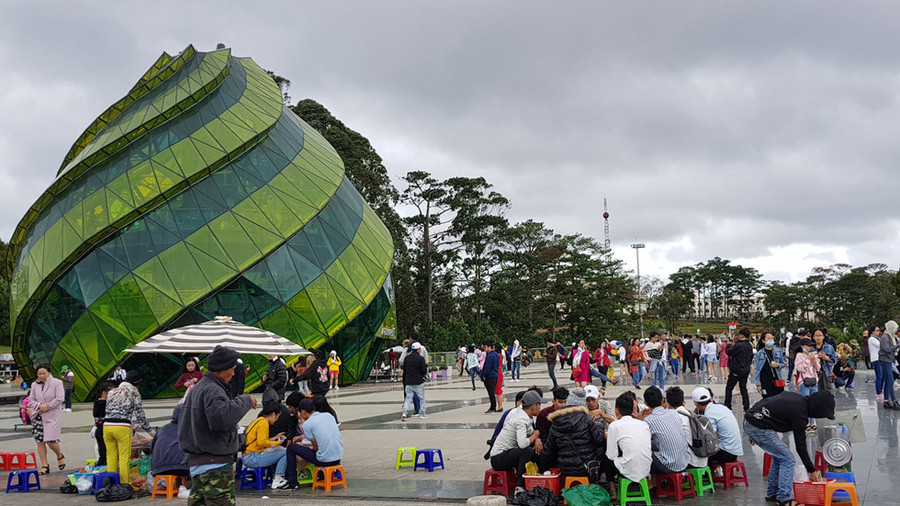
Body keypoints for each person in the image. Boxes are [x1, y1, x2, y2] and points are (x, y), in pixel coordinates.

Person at [179, 346, 257, 506]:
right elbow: (222, 418)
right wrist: (245, 401)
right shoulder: (213, 390)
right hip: (215, 464)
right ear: (221, 370)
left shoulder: (199, 388)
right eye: (233, 370)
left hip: (199, 462)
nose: (234, 374)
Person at [744, 392, 835, 506]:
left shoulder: (798, 399)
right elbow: (800, 446)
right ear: (818, 410)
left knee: (780, 456)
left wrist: (751, 424)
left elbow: (766, 402)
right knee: (788, 459)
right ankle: (783, 499)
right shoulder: (800, 414)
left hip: (753, 422)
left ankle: (773, 494)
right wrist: (812, 470)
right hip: (757, 426)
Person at [540, 387, 615, 481]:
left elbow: (549, 449)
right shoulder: (587, 419)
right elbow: (599, 441)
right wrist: (599, 428)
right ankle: (609, 481)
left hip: (565, 468)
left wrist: (541, 469)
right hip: (587, 468)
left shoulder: (556, 421)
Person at [489, 390, 547, 495]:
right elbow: (523, 444)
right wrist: (535, 436)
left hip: (508, 453)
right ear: (533, 406)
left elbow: (529, 435)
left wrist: (536, 438)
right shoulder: (521, 419)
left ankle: (537, 478)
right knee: (526, 451)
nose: (540, 408)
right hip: (498, 458)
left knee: (535, 451)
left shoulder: (525, 416)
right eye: (539, 405)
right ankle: (520, 487)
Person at [104, 370, 154, 485]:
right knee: (123, 456)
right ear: (136, 384)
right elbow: (140, 415)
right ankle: (124, 484)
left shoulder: (112, 392)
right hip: (122, 426)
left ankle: (112, 484)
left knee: (111, 455)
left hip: (107, 426)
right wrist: (150, 431)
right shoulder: (134, 392)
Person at [280, 398, 344, 490]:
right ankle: (320, 476)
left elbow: (315, 447)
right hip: (338, 457)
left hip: (324, 460)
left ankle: (292, 482)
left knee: (291, 447)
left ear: (303, 412)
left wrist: (306, 455)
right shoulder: (328, 415)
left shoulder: (307, 424)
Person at [19, 363, 66, 475]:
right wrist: (40, 406)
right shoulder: (35, 385)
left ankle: (59, 455)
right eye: (39, 374)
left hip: (51, 414)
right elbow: (31, 400)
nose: (41, 376)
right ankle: (45, 465)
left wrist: (48, 406)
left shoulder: (57, 383)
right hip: (38, 414)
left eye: (44, 373)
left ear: (49, 372)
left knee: (50, 440)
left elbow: (60, 398)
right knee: (40, 442)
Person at [642, 387, 692, 475]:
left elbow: (643, 441)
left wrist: (640, 421)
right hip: (685, 462)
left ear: (645, 403)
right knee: (656, 444)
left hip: (669, 465)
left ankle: (652, 482)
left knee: (644, 452)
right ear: (662, 400)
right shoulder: (674, 413)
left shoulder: (649, 420)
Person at [606, 392, 652, 483]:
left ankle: (613, 490)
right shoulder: (644, 424)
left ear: (616, 410)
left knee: (607, 458)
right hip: (646, 469)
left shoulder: (614, 425)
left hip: (627, 471)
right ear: (633, 409)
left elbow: (611, 455)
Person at [243, 403, 289, 489]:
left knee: (279, 450)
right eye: (277, 417)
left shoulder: (257, 421)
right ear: (273, 414)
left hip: (249, 456)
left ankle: (275, 477)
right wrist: (277, 443)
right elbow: (261, 443)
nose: (276, 420)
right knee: (286, 452)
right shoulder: (264, 423)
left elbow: (259, 440)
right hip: (254, 458)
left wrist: (273, 438)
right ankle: (278, 479)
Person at [691, 387, 743, 463]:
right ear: (711, 399)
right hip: (735, 449)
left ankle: (705, 474)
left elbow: (709, 438)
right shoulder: (721, 407)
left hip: (727, 452)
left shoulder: (709, 413)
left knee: (697, 453)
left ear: (695, 403)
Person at [666, 387, 707, 469]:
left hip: (690, 461)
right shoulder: (690, 414)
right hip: (703, 459)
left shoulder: (673, 417)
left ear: (668, 404)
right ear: (683, 403)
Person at [294, 350, 339, 423]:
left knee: (319, 405)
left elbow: (306, 375)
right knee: (322, 404)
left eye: (312, 356)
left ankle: (329, 420)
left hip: (317, 388)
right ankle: (332, 419)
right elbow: (328, 375)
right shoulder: (325, 364)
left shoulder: (315, 364)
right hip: (323, 387)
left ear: (314, 357)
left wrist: (295, 380)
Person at [151, 404, 190, 483]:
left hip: (157, 469)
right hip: (181, 467)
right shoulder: (189, 429)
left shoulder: (163, 429)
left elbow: (153, 447)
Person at [724, 327, 754, 412]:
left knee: (729, 388)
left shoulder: (739, 345)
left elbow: (729, 352)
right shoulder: (749, 345)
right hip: (745, 370)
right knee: (743, 388)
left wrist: (728, 345)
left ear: (741, 335)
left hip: (736, 370)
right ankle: (746, 406)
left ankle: (728, 405)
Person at [794, 338, 821, 429]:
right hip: (804, 382)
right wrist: (808, 360)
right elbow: (801, 368)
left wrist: (814, 360)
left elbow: (818, 368)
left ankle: (813, 422)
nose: (810, 348)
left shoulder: (813, 355)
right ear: (802, 346)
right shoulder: (799, 356)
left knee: (813, 403)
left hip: (814, 381)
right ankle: (805, 423)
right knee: (805, 403)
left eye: (811, 346)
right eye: (808, 346)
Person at [754, 332, 787, 398]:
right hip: (765, 381)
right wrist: (758, 384)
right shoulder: (760, 353)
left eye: (772, 338)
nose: (771, 340)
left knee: (779, 400)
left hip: (777, 379)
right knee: (767, 400)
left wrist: (778, 365)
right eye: (768, 338)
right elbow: (757, 370)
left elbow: (783, 363)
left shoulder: (778, 351)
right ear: (763, 341)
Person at [401, 342, 428, 420]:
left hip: (409, 382)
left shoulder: (407, 358)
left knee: (408, 398)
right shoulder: (420, 358)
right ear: (418, 349)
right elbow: (424, 371)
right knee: (421, 398)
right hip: (418, 382)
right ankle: (422, 414)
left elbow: (404, 369)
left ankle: (404, 413)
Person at [878, 324, 900, 410]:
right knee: (890, 380)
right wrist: (898, 346)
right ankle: (894, 401)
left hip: (889, 360)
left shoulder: (889, 336)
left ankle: (886, 401)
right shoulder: (885, 337)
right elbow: (887, 349)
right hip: (885, 360)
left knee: (888, 381)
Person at [91, 382, 113, 466]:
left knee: (105, 452)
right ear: (104, 393)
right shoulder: (100, 403)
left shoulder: (101, 402)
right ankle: (102, 467)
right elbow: (97, 414)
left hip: (103, 429)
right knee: (103, 453)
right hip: (101, 429)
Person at [481, 343, 501, 413]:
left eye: (485, 347)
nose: (485, 348)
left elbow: (487, 367)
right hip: (495, 375)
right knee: (492, 392)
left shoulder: (490, 356)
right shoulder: (496, 355)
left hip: (490, 376)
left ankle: (493, 407)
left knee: (491, 393)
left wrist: (483, 375)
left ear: (489, 347)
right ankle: (493, 407)